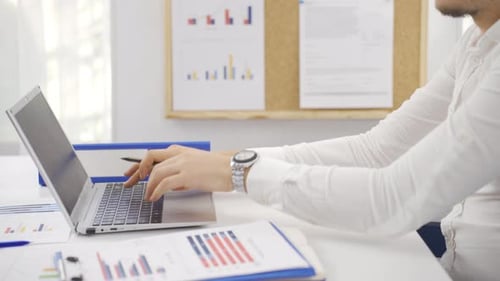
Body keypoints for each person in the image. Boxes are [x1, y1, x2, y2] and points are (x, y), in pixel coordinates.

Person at [124, 1, 500, 280]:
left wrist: (237, 172)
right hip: (447, 264)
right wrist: (218, 163)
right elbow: (375, 151)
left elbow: (395, 198)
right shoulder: (476, 45)